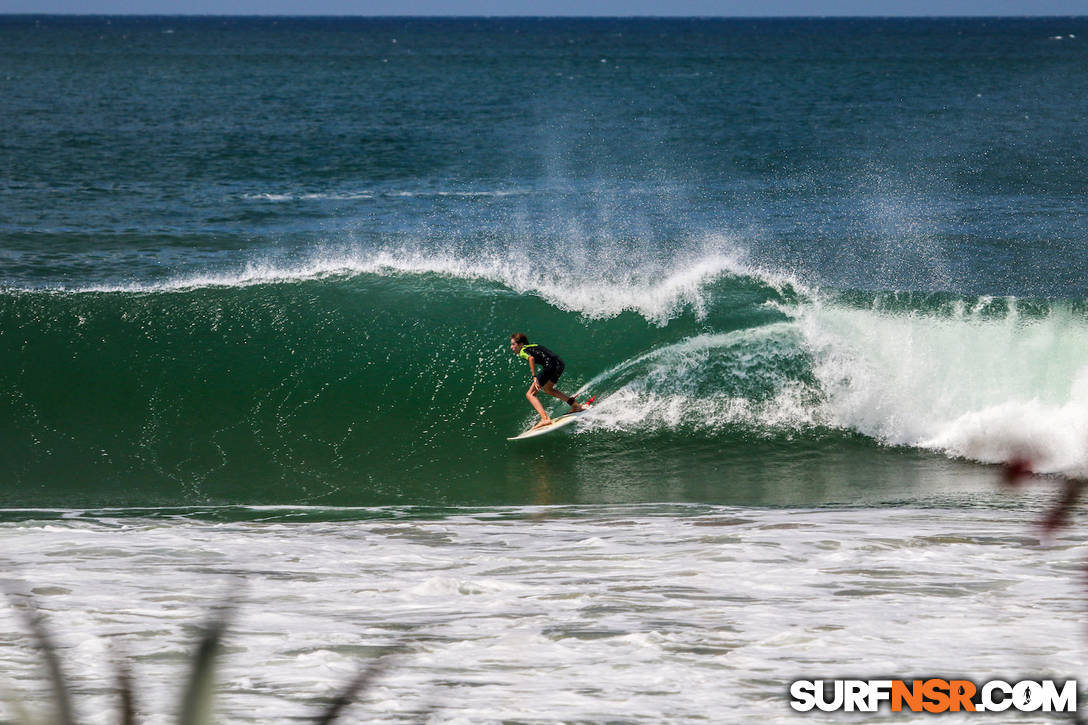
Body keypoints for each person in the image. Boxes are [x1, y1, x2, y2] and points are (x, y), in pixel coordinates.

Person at [509, 333, 585, 429]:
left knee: (530, 394)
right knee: (548, 389)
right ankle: (575, 405)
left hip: (550, 366)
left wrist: (534, 376)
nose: (511, 347)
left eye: (513, 344)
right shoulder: (534, 345)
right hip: (559, 363)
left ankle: (545, 419)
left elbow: (531, 358)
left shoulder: (522, 351)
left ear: (520, 344)